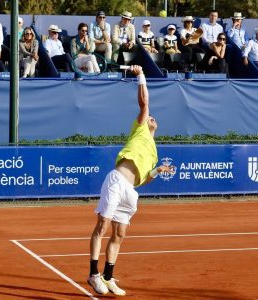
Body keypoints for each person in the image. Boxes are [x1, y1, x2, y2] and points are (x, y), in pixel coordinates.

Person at [87, 65, 173, 296]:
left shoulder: (154, 151)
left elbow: (142, 181)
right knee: (103, 226)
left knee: (120, 234)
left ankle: (108, 277)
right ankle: (94, 274)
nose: (151, 118)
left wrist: (157, 171)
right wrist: (141, 75)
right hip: (116, 181)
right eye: (149, 118)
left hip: (130, 190)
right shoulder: (140, 130)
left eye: (153, 119)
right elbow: (144, 103)